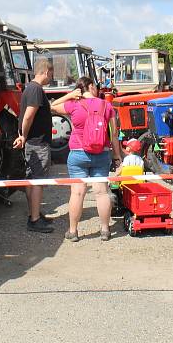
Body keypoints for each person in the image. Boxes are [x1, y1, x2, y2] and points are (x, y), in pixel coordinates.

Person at [52, 76, 123, 242]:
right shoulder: (106, 105)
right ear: (91, 86)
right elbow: (113, 133)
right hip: (101, 152)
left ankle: (73, 231)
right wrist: (117, 155)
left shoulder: (74, 104)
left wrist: (70, 95)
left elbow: (52, 106)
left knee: (77, 192)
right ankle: (105, 230)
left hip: (78, 152)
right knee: (101, 192)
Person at [13, 58, 55, 233]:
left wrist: (23, 135)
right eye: (51, 74)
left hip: (32, 142)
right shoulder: (37, 90)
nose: (51, 77)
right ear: (45, 72)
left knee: (31, 179)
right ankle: (35, 220)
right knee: (38, 181)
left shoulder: (29, 88)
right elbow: (28, 116)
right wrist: (23, 135)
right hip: (37, 143)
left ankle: (34, 213)